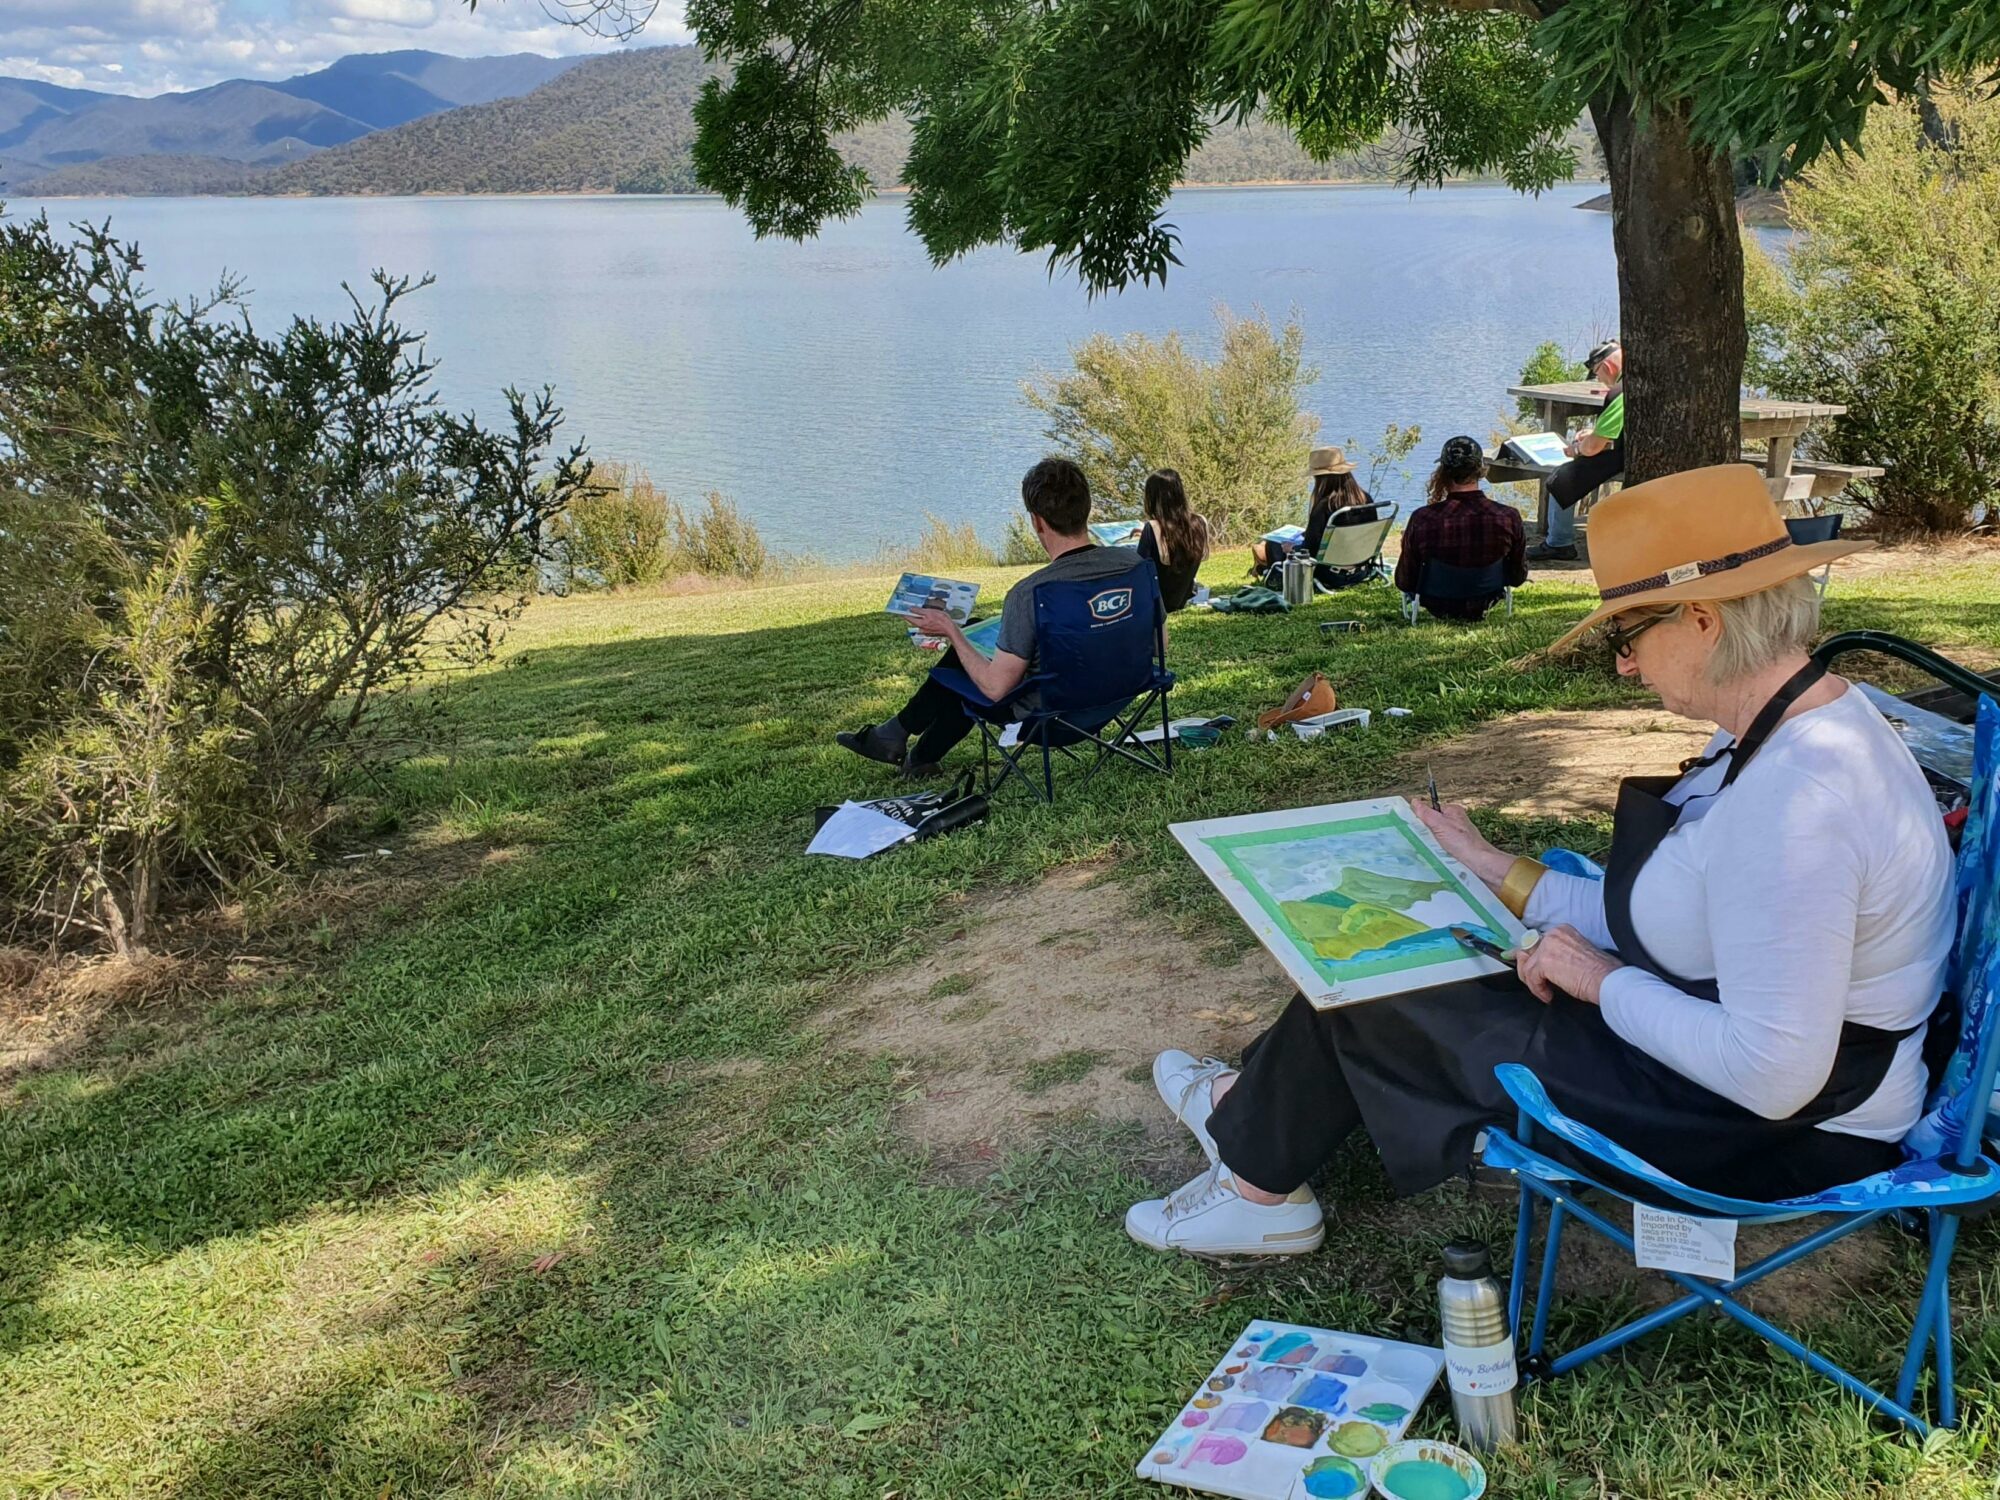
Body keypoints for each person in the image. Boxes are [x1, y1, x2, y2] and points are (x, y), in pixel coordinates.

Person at [1125, 463, 1948, 1258]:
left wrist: (1599, 981)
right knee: (1411, 956)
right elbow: (1668, 913)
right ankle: (1246, 1111)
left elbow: (1772, 1075)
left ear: (1703, 619)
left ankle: (1256, 1195)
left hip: (1775, 1131)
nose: (1623, 662)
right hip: (1725, 1055)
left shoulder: (1800, 801)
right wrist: (1490, 866)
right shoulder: (1781, 728)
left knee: (1385, 993)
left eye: (1628, 634)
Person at [836, 458, 1143, 778]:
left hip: (1052, 707)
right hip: (1115, 692)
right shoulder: (1134, 566)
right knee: (972, 633)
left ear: (1037, 522)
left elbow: (996, 689)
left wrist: (948, 631)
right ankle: (914, 749)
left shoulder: (1031, 593)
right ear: (1087, 509)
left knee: (964, 659)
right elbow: (1158, 642)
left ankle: (898, 736)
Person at [1393, 435, 1527, 621]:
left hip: (1435, 599)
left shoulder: (1422, 518)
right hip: (1488, 596)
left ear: (1443, 473)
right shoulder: (1508, 516)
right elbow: (1517, 577)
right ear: (1481, 470)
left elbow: (1404, 580)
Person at [1531, 338, 1624, 563]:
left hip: (1626, 457)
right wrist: (1593, 433)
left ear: (1608, 367)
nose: (1600, 381)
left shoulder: (1620, 393)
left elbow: (1592, 448)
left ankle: (1559, 543)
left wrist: (1576, 448)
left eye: (1597, 374)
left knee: (1561, 477)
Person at [1250, 447, 1380, 579]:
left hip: (1329, 574)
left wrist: (1291, 549)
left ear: (1320, 478)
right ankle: (1263, 566)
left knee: (1275, 544)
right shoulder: (1366, 499)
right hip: (1361, 570)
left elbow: (1309, 551)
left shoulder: (1325, 506)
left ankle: (1272, 573)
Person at [1135, 468, 1212, 613]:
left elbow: (1139, 571)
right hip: (1183, 596)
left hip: (1158, 601)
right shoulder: (1199, 522)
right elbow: (1176, 540)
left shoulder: (1152, 528)